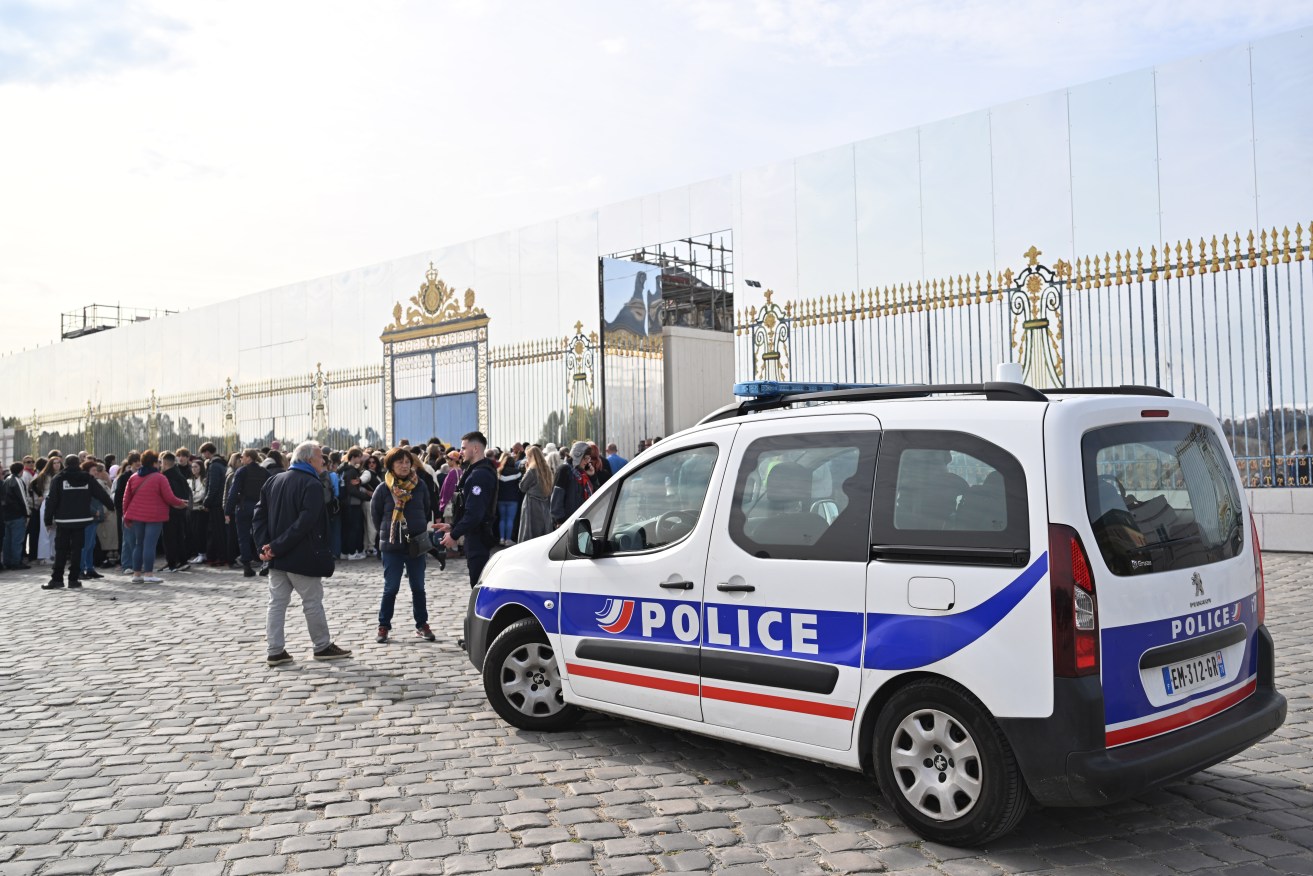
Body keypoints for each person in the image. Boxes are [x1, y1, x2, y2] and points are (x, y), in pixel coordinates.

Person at [251, 440, 351, 666]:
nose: (323, 461)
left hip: (277, 557)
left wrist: (264, 547)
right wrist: (273, 547)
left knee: (276, 603)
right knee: (312, 602)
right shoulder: (311, 484)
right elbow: (305, 523)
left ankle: (275, 650)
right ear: (308, 460)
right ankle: (322, 646)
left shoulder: (274, 480)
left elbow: (259, 517)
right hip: (302, 554)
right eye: (320, 457)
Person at [371, 446, 436, 643]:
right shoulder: (383, 489)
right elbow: (375, 516)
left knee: (418, 587)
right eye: (400, 462)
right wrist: (389, 532)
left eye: (407, 462)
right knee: (391, 587)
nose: (404, 465)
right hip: (392, 546)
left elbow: (426, 510)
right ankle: (383, 626)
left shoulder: (420, 486)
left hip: (415, 544)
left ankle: (422, 624)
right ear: (391, 464)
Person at [435, 430, 499, 587]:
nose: (460, 452)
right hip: (474, 535)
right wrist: (452, 525)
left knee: (478, 585)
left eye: (464, 448)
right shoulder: (475, 471)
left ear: (475, 448)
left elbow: (475, 513)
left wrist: (454, 534)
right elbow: (467, 505)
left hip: (478, 536)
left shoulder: (480, 474)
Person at [42, 456, 115, 589]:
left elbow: (52, 500)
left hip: (63, 520)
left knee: (61, 550)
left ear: (65, 464)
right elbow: (101, 494)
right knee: (77, 550)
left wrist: (47, 519)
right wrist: (111, 506)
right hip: (82, 520)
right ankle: (73, 580)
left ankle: (57, 579)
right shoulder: (87, 478)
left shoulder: (58, 479)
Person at [121, 450, 188, 584]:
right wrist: (181, 503)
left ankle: (136, 574)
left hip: (137, 515)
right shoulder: (160, 478)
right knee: (149, 545)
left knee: (138, 544)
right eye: (157, 461)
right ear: (153, 463)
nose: (159, 464)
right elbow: (169, 497)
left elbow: (126, 499)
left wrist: (126, 516)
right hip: (154, 515)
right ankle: (149, 574)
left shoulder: (133, 477)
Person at [226, 449, 271, 577]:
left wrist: (228, 510)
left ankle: (247, 566)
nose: (241, 459)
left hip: (244, 507)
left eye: (243, 457)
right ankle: (264, 563)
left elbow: (233, 492)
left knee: (243, 537)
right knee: (261, 535)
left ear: (249, 458)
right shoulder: (264, 472)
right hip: (260, 507)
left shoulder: (242, 471)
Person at [551, 441, 596, 528]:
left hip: (581, 521)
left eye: (589, 458)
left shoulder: (581, 473)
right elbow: (557, 499)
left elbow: (596, 492)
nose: (587, 462)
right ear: (577, 456)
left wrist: (593, 476)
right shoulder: (564, 470)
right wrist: (561, 521)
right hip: (567, 524)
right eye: (585, 458)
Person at [160, 451, 192, 572]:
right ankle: (181, 560)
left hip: (171, 511)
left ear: (164, 462)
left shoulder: (167, 477)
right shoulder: (179, 475)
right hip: (181, 510)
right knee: (179, 536)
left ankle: (172, 563)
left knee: (169, 538)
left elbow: (169, 496)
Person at [197, 442, 228, 566]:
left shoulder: (214, 466)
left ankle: (219, 557)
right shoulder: (222, 464)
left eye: (204, 453)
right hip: (220, 503)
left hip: (215, 504)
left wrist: (206, 502)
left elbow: (213, 487)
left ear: (207, 452)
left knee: (216, 532)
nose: (203, 456)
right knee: (220, 531)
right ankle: (221, 556)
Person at [517, 445, 554, 542]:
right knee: (543, 528)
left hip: (532, 503)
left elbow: (522, 487)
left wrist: (526, 470)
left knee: (529, 529)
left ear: (531, 457)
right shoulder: (547, 469)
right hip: (545, 503)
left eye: (527, 457)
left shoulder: (532, 470)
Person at [2, 463, 32, 570]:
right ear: (21, 470)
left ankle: (7, 561)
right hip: (17, 514)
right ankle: (15, 562)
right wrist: (28, 513)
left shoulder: (7, 480)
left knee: (8, 540)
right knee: (17, 539)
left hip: (7, 514)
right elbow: (23, 498)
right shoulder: (17, 481)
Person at [496, 451, 522, 546]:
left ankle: (501, 538)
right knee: (510, 519)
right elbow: (521, 485)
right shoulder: (517, 472)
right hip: (513, 499)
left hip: (500, 499)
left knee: (502, 519)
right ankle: (508, 539)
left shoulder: (498, 472)